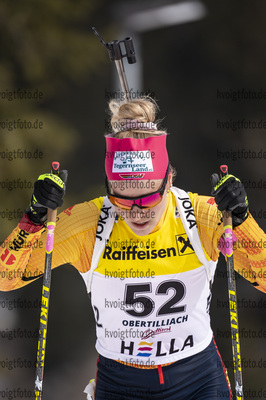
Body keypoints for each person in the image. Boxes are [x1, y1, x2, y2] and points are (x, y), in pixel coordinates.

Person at [0, 97, 265, 400]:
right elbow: (6, 277)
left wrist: (243, 220)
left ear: (168, 182)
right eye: (123, 200)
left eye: (148, 199)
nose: (137, 212)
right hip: (121, 383)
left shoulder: (202, 216)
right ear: (109, 187)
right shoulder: (90, 224)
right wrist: (34, 218)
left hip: (196, 380)